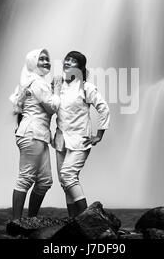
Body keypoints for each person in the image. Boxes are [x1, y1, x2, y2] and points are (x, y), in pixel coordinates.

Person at [53, 51, 110, 218]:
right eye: (67, 59)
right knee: (65, 183)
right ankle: (73, 221)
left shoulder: (86, 87)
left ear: (80, 67)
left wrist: (99, 135)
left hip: (80, 140)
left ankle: (87, 219)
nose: (68, 62)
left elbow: (103, 108)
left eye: (73, 61)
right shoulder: (60, 86)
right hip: (61, 139)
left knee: (68, 175)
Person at [9, 49, 62, 219]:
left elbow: (20, 107)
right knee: (25, 178)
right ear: (32, 62)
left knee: (45, 181)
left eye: (48, 59)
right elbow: (52, 107)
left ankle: (31, 220)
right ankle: (16, 222)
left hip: (39, 135)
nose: (47, 62)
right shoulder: (37, 82)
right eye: (42, 59)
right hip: (32, 134)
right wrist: (57, 90)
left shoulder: (30, 81)